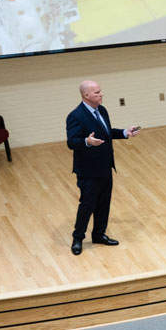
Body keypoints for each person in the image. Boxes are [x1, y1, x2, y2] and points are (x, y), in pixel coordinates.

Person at [65, 79, 140, 254]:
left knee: (103, 203)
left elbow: (106, 132)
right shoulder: (75, 116)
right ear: (86, 95)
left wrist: (124, 133)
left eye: (100, 91)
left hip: (105, 167)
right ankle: (78, 237)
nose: (101, 94)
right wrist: (87, 141)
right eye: (97, 92)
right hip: (89, 171)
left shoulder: (102, 110)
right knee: (87, 205)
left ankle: (99, 234)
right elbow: (72, 142)